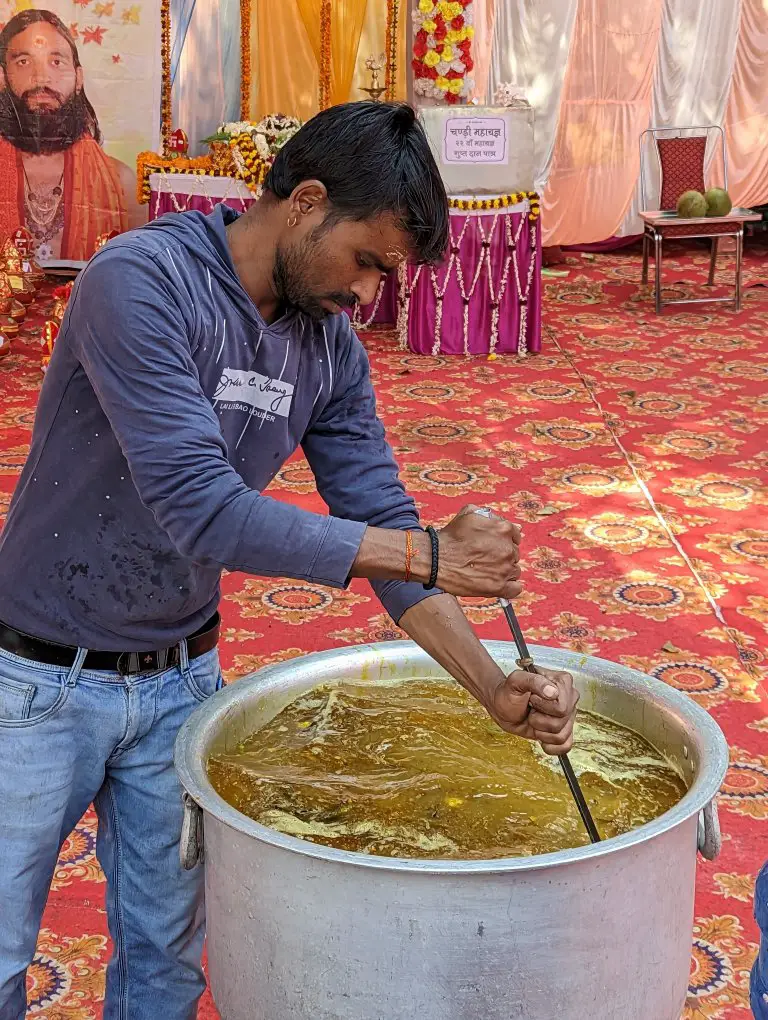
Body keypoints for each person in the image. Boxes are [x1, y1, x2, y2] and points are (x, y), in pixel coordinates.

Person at [0, 101, 579, 1019]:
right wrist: (430, 554)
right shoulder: (140, 282)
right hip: (31, 680)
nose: (370, 296)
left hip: (180, 682)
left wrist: (490, 685)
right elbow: (200, 508)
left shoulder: (328, 346)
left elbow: (382, 523)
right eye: (370, 263)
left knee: (166, 959)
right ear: (306, 201)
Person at [0, 8, 145, 262]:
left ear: (78, 78)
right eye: (24, 61)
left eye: (56, 62)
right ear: (2, 77)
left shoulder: (122, 184)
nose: (41, 77)